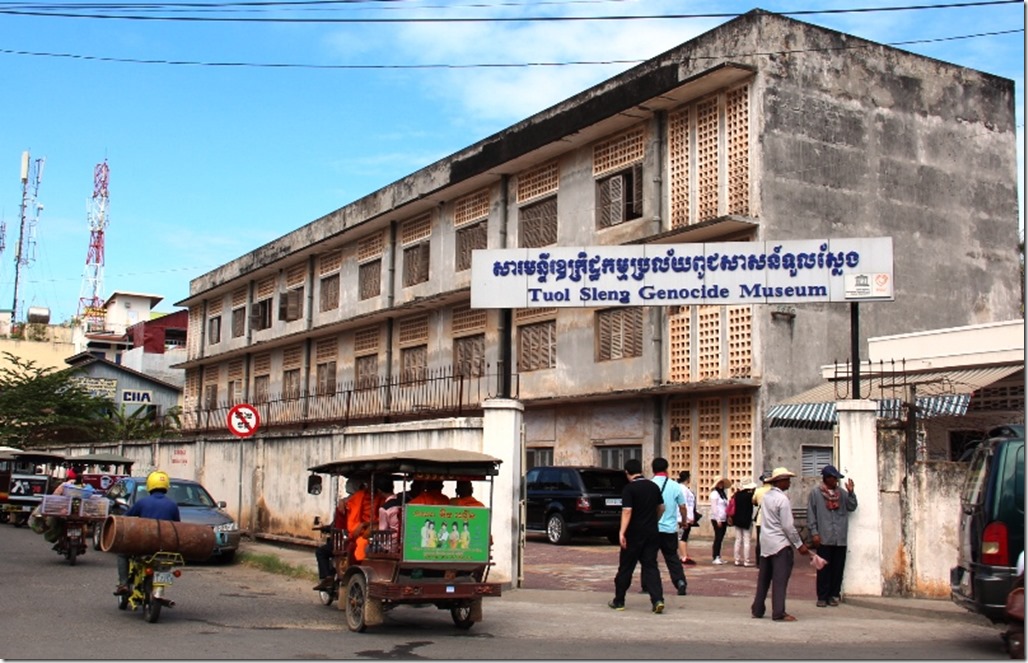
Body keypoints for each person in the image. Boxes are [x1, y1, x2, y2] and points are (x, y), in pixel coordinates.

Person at [751, 467, 810, 622]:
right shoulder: (782, 500)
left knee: (764, 578)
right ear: (780, 481)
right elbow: (788, 526)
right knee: (780, 579)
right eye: (787, 480)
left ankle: (757, 608)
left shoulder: (767, 497)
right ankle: (778, 611)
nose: (789, 483)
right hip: (780, 544)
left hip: (766, 542)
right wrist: (799, 544)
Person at [608, 457, 665, 614]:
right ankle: (657, 600)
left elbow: (627, 511)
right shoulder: (653, 487)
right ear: (641, 470)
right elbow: (661, 507)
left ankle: (619, 600)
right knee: (651, 566)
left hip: (633, 533)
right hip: (652, 533)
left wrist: (622, 532)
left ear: (627, 473)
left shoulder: (629, 489)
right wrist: (654, 520)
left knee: (626, 567)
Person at [115, 470, 180, 596]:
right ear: (166, 486)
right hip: (165, 547)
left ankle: (123, 584)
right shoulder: (172, 505)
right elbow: (177, 525)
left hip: (145, 546)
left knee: (122, 554)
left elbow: (125, 518)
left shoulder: (142, 502)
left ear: (149, 485)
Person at [807, 464, 857, 607]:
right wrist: (814, 533)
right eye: (833, 478)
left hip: (839, 538)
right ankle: (822, 596)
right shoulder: (815, 494)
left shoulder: (842, 493)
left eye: (836, 478)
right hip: (824, 537)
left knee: (838, 568)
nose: (835, 481)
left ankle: (833, 595)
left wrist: (851, 493)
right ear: (826, 478)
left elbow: (852, 507)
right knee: (823, 569)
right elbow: (811, 514)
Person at [650, 457, 688, 596]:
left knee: (649, 559)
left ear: (652, 469)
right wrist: (683, 521)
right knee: (672, 557)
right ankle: (680, 582)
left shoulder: (650, 484)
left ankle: (648, 584)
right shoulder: (675, 486)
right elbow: (683, 507)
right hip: (670, 528)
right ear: (667, 469)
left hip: (652, 528)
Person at [730, 480, 757, 567]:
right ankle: (746, 560)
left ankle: (737, 560)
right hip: (747, 520)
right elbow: (755, 503)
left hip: (737, 520)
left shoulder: (737, 495)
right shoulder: (750, 496)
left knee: (738, 540)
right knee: (746, 541)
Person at [677, 470, 697, 565]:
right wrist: (687, 518)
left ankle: (684, 554)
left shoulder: (684, 488)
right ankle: (684, 556)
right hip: (683, 517)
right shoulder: (682, 489)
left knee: (684, 536)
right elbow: (684, 504)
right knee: (683, 537)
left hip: (686, 516)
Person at [709, 476, 730, 564]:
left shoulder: (722, 494)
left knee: (721, 538)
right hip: (717, 518)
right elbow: (714, 508)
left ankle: (718, 555)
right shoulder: (714, 494)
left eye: (722, 483)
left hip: (724, 518)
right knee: (718, 537)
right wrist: (718, 519)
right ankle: (715, 556)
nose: (721, 485)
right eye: (719, 483)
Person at [752, 472, 772, 558]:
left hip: (760, 520)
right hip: (772, 520)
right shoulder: (774, 490)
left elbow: (754, 501)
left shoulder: (758, 491)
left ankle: (759, 561)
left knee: (760, 542)